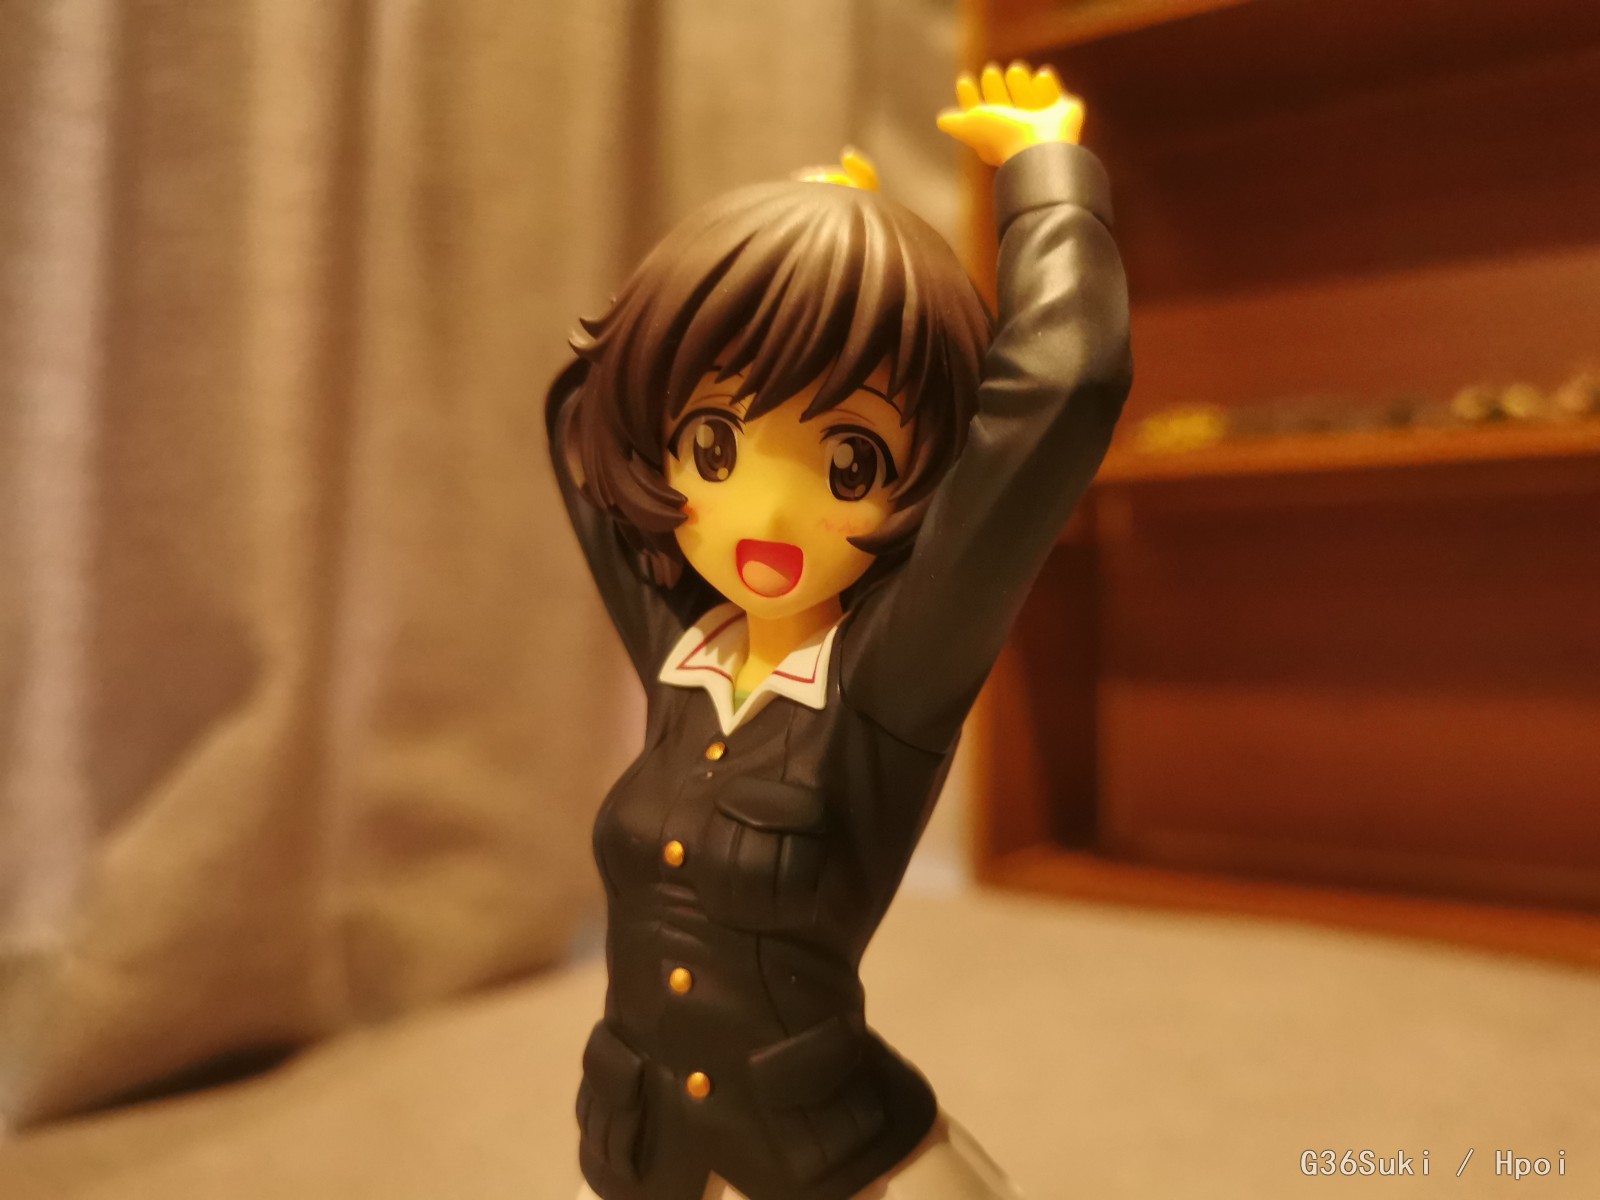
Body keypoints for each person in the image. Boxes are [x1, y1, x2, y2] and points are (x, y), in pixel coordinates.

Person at [547, 61, 1131, 1200]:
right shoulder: (683, 653)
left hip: (823, 1151)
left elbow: (1068, 385)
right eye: (714, 446)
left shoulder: (887, 677)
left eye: (850, 462)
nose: (767, 517)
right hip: (639, 1146)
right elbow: (582, 414)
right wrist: (767, 260)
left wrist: (1046, 175)